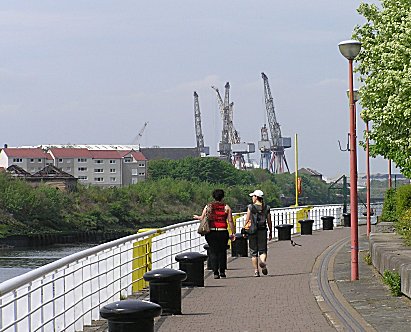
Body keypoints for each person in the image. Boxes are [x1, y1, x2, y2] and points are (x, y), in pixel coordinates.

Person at [194, 189, 236, 279]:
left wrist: (197, 217)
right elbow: (230, 221)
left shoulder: (208, 206)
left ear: (213, 196)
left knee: (213, 251)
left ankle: (215, 272)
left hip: (211, 232)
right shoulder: (227, 207)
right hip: (223, 231)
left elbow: (202, 218)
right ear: (222, 197)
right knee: (222, 251)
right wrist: (233, 233)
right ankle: (222, 271)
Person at [245, 189, 272, 277]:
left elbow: (247, 220)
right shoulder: (266, 207)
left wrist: (244, 229)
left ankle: (256, 271)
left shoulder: (251, 207)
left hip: (252, 231)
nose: (252, 198)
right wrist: (271, 231)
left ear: (256, 197)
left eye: (253, 196)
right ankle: (263, 262)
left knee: (253, 252)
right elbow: (269, 221)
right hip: (263, 230)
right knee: (263, 250)